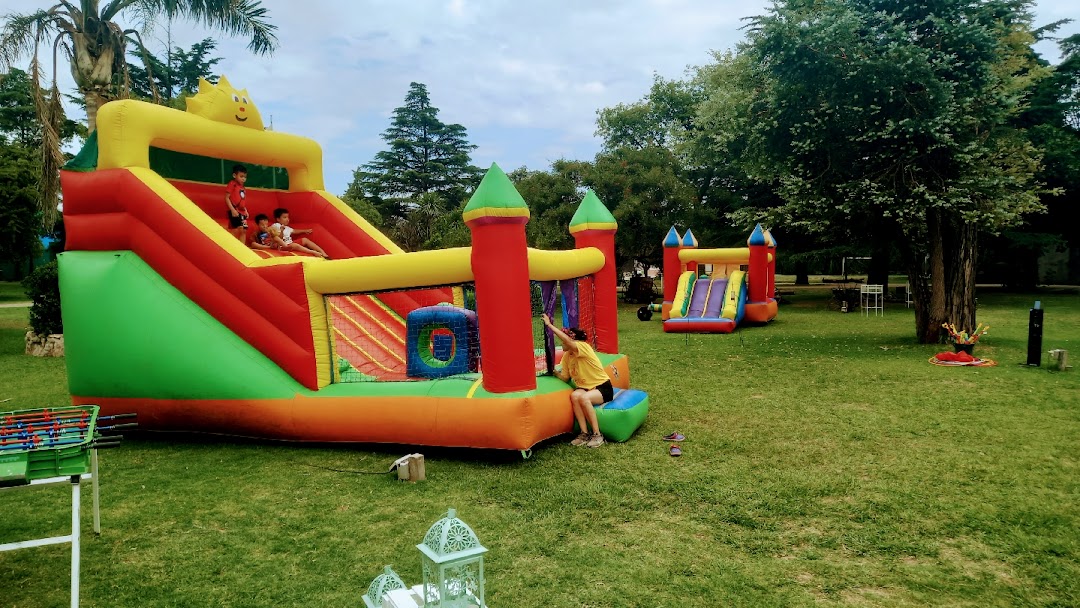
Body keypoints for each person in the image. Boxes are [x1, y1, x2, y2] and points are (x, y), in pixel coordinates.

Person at [540, 313, 612, 448]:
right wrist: (554, 372)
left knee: (584, 398)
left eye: (565, 341)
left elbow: (568, 341)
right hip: (585, 388)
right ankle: (584, 433)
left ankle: (597, 435)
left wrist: (549, 325)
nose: (562, 344)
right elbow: (565, 377)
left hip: (602, 387)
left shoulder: (583, 347)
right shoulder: (567, 356)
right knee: (574, 396)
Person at [225, 164, 249, 242]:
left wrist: (245, 210)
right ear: (234, 175)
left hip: (242, 211)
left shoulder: (243, 187)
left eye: (245, 177)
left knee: (244, 230)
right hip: (235, 210)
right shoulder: (232, 184)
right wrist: (232, 210)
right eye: (241, 176)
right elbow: (227, 198)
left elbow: (242, 200)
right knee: (237, 228)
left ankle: (243, 247)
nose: (243, 179)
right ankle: (233, 245)